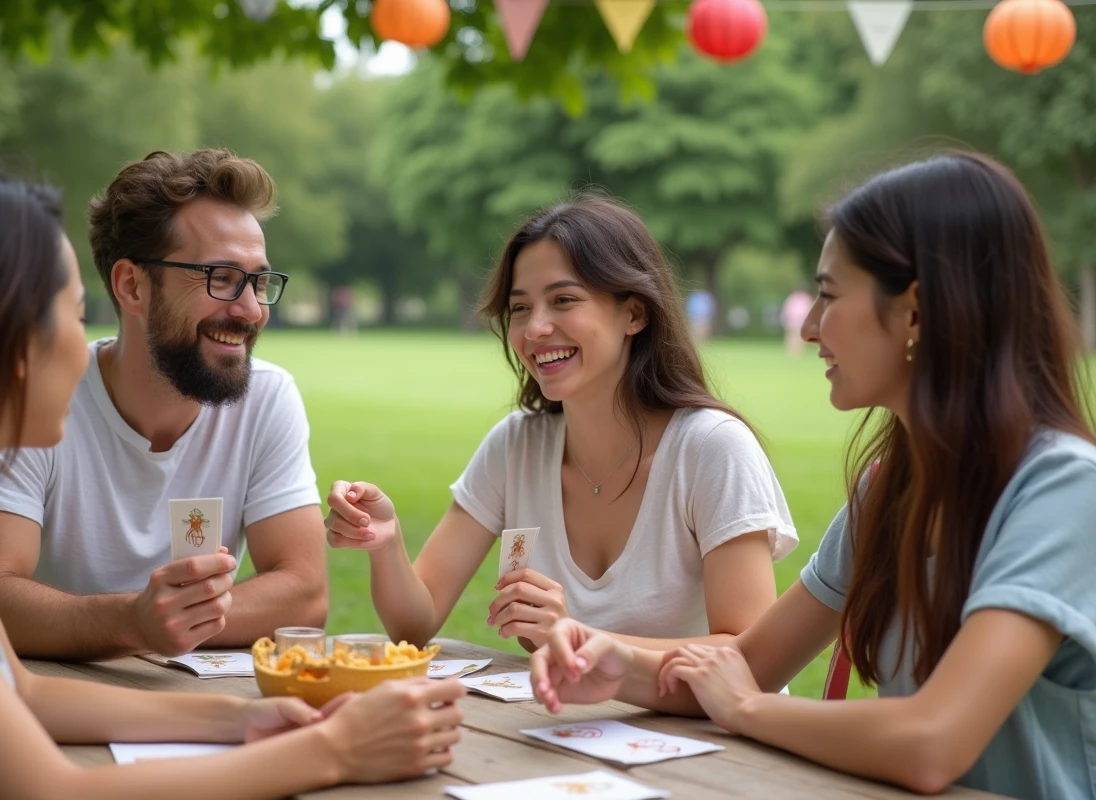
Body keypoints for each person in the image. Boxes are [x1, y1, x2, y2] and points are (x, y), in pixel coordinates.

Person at [528, 153, 1096, 799]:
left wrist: (747, 709)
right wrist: (612, 663)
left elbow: (934, 741)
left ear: (915, 312)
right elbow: (750, 663)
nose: (808, 327)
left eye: (828, 295)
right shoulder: (889, 490)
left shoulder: (1063, 491)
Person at [0, 155, 464, 800]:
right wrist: (334, 750)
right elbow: (47, 792)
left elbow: (24, 693)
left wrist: (242, 718)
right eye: (72, 314)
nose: (84, 346)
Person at [325, 194, 797, 652]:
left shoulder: (712, 449)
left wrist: (576, 637)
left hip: (715, 735)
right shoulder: (516, 447)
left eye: (564, 300)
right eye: (521, 307)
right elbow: (416, 623)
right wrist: (385, 544)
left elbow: (748, 657)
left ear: (634, 313)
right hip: (564, 731)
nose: (534, 329)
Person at [0, 149, 328, 660]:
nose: (251, 310)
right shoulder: (35, 402)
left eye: (259, 281)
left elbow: (305, 593)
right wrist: (133, 621)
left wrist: (160, 623)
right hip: (43, 713)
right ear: (132, 286)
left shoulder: (267, 397)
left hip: (188, 710)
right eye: (220, 277)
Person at [780, 289, 813, 357]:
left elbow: (810, 308)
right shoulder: (791, 298)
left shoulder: (806, 298)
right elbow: (787, 309)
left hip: (802, 320)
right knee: (792, 335)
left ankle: (799, 351)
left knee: (800, 336)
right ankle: (791, 350)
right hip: (792, 319)